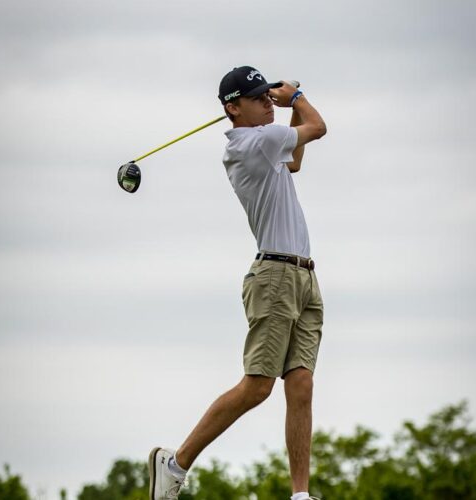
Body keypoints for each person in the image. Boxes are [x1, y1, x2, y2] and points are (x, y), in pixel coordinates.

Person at [149, 66, 327, 500]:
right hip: (275, 277)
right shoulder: (253, 143)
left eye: (269, 95)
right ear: (233, 108)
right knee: (258, 386)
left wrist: (284, 107)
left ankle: (300, 494)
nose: (268, 101)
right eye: (259, 98)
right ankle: (173, 465)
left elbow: (297, 158)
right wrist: (297, 96)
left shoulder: (266, 143)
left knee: (300, 383)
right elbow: (317, 128)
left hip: (304, 274)